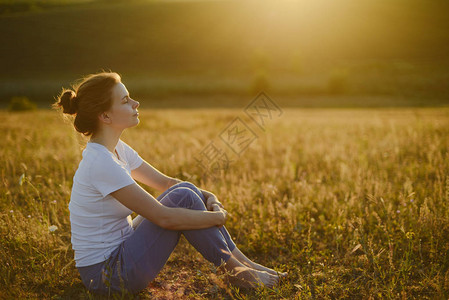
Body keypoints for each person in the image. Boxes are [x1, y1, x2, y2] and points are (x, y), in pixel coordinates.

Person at [54, 71, 287, 294]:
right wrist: (217, 217)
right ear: (105, 116)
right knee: (180, 198)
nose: (135, 103)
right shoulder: (101, 162)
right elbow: (164, 217)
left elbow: (168, 183)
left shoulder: (116, 150)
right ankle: (238, 272)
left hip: (121, 253)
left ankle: (245, 265)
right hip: (108, 276)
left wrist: (209, 197)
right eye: (125, 101)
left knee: (183, 191)